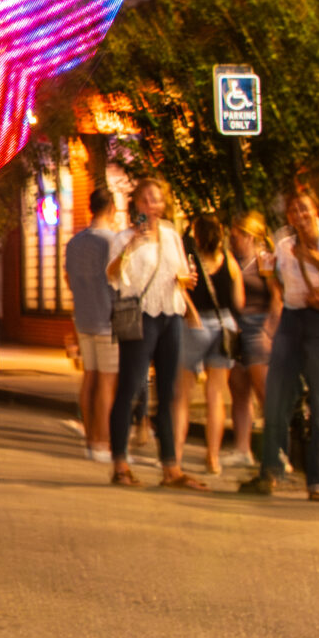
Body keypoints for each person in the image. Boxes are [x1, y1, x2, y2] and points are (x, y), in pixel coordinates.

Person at [244, 186, 319, 500]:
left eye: (304, 208)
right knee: (276, 396)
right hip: (292, 321)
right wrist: (269, 275)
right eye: (294, 210)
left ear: (316, 210)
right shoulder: (284, 245)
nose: (300, 215)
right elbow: (280, 283)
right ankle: (272, 471)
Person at [105, 179, 201, 489]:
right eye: (146, 200)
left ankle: (171, 467)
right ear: (137, 205)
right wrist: (132, 245)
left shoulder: (173, 235)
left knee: (168, 392)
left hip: (170, 315)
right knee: (130, 388)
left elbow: (180, 273)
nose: (152, 205)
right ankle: (120, 464)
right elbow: (112, 275)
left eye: (157, 200)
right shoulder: (123, 238)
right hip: (141, 317)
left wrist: (188, 281)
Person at [177, 213, 242, 476]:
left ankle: (176, 455)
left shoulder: (190, 263)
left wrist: (191, 312)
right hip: (225, 325)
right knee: (216, 395)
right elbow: (239, 302)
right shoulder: (231, 263)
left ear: (198, 236)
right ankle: (212, 458)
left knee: (182, 396)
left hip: (195, 325)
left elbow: (180, 291)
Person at [65, 184, 120, 463]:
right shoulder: (113, 241)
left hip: (83, 317)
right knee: (107, 384)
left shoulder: (74, 243)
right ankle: (103, 442)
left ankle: (90, 440)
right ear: (111, 209)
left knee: (89, 378)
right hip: (109, 318)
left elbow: (68, 280)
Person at [226, 210, 277, 467]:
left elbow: (276, 295)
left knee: (264, 390)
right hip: (237, 327)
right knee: (238, 389)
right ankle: (242, 449)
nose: (233, 241)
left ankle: (277, 451)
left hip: (258, 325)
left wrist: (271, 327)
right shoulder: (233, 260)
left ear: (249, 236)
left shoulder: (264, 261)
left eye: (236, 237)